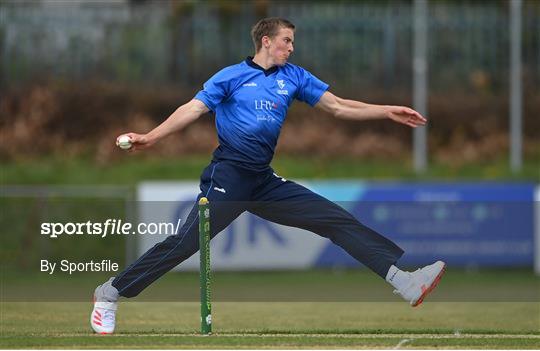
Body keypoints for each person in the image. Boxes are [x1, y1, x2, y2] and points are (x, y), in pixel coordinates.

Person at [90, 17, 446, 334]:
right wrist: (150, 137)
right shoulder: (230, 76)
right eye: (286, 41)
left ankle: (404, 281)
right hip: (228, 176)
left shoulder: (294, 77)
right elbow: (192, 109)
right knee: (185, 244)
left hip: (263, 182)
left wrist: (386, 112)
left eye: (292, 42)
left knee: (334, 219)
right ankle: (110, 293)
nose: (291, 48)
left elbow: (338, 106)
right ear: (266, 41)